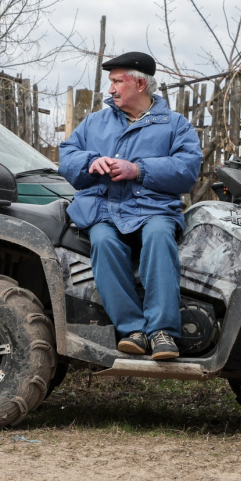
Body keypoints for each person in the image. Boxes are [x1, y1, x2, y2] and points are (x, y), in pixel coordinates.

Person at [59, 51, 202, 360]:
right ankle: (132, 330)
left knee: (159, 236)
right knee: (103, 241)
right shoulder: (96, 121)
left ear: (140, 83)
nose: (111, 89)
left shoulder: (174, 125)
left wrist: (138, 171)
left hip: (153, 209)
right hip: (104, 208)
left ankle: (163, 332)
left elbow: (188, 169)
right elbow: (67, 154)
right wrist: (91, 161)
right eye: (111, 82)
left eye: (117, 81)